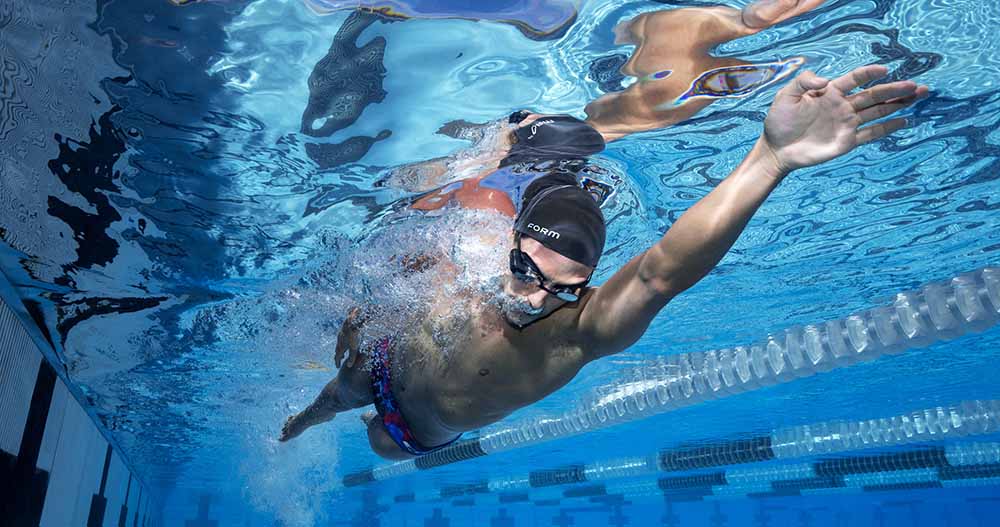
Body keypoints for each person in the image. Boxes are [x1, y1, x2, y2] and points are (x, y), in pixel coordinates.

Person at [278, 1, 929, 459]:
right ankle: (310, 413)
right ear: (510, 246)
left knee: (381, 441)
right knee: (344, 382)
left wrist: (772, 158)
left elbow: (659, 272)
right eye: (527, 272)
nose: (532, 298)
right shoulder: (474, 248)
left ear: (584, 289)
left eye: (562, 289)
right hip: (386, 363)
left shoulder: (573, 336)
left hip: (418, 425)